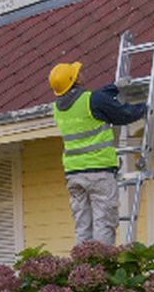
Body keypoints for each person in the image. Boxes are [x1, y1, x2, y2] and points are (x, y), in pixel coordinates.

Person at [49, 61, 148, 245]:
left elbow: (95, 99)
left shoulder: (57, 108)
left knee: (82, 226)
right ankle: (101, 269)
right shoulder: (91, 99)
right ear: (75, 79)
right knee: (104, 222)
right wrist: (143, 108)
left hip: (74, 175)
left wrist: (114, 88)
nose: (81, 73)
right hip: (99, 173)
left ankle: (84, 269)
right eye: (77, 73)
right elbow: (123, 114)